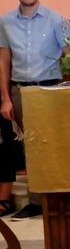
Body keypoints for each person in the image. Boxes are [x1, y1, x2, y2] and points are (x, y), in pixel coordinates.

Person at [1, 0, 70, 221]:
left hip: (50, 89)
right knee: (29, 146)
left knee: (51, 143)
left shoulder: (56, 19)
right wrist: (5, 98)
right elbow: (4, 59)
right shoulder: (5, 22)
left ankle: (55, 198)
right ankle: (35, 200)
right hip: (21, 89)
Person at [0, 18, 17, 216]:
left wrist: (5, 97)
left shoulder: (4, 23)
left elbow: (4, 59)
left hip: (4, 89)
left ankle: (4, 198)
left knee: (4, 145)